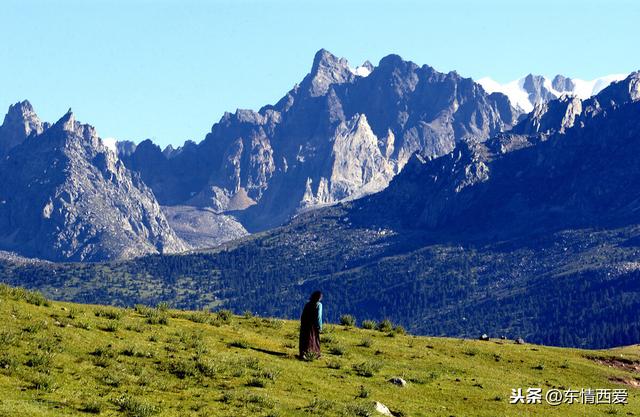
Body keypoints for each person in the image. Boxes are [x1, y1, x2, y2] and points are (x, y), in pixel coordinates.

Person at [299, 290, 323, 359]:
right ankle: (315, 354)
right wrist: (319, 326)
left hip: (305, 324)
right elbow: (318, 317)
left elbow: (303, 315)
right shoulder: (319, 305)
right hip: (313, 325)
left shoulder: (308, 304)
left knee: (305, 339)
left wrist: (303, 323)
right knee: (315, 340)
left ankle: (303, 353)